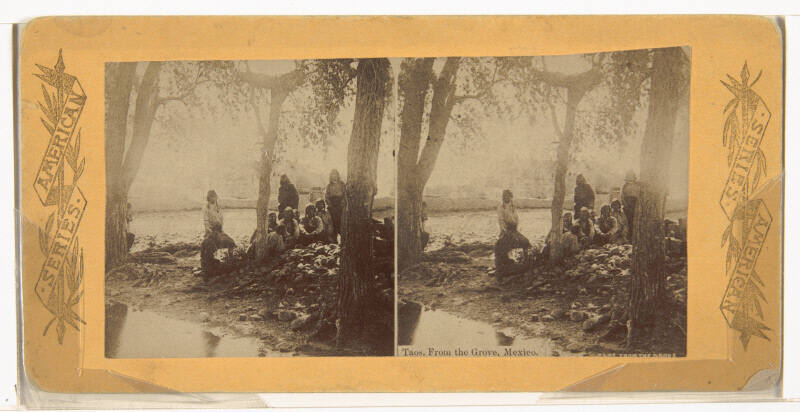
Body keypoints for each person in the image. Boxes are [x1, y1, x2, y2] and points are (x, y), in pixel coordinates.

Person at [494, 189, 532, 272]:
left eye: (508, 196)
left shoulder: (513, 206)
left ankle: (526, 261)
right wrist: (505, 230)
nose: (506, 198)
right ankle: (504, 264)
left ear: (511, 197)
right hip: (506, 230)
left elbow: (516, 218)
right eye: (504, 196)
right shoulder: (501, 207)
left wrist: (515, 229)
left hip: (514, 229)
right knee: (502, 245)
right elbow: (501, 220)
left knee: (525, 241)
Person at [200, 190, 236, 275]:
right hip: (210, 230)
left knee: (231, 242)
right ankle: (209, 263)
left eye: (215, 197)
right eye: (212, 197)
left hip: (219, 229)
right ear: (209, 198)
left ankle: (231, 259)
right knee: (209, 245)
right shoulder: (206, 207)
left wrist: (221, 229)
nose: (214, 198)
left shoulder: (218, 207)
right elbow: (206, 221)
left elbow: (221, 218)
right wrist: (209, 230)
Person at [325, 169, 346, 242]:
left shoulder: (342, 184)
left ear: (338, 175)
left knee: (341, 223)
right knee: (333, 224)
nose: (334, 176)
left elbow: (345, 195)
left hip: (340, 206)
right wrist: (330, 204)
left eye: (335, 174)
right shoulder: (329, 186)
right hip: (332, 206)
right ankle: (334, 241)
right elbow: (326, 196)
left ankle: (343, 240)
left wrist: (342, 203)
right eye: (332, 174)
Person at [621, 170, 641, 240]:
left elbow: (640, 196)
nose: (630, 178)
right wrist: (626, 205)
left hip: (636, 204)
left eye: (631, 176)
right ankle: (629, 237)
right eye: (628, 176)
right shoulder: (624, 186)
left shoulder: (637, 185)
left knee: (636, 221)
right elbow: (622, 196)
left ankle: (635, 237)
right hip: (628, 205)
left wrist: (638, 205)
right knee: (629, 222)